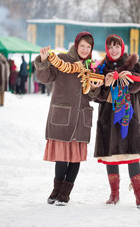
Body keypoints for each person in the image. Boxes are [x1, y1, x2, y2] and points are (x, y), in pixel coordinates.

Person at [34, 31, 102, 206]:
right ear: (76, 45)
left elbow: (91, 96)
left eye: (89, 47)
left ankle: (65, 194)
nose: (85, 49)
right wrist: (43, 60)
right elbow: (45, 77)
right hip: (63, 115)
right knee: (62, 157)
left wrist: (94, 88)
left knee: (75, 158)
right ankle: (55, 190)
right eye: (83, 46)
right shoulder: (63, 60)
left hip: (81, 117)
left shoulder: (91, 67)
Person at [94, 34, 140, 208]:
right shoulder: (101, 68)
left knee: (133, 156)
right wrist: (105, 85)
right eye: (110, 47)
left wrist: (134, 78)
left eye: (117, 46)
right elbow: (94, 95)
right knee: (111, 156)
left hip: (129, 118)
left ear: (122, 47)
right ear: (107, 49)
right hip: (108, 119)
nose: (114, 50)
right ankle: (114, 194)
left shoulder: (134, 64)